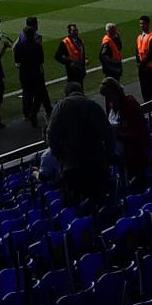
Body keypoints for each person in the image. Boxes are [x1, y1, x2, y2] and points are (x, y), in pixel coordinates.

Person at [46, 81, 113, 209]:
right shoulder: (93, 105)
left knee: (78, 207)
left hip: (73, 167)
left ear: (66, 94)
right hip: (97, 163)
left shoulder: (61, 107)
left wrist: (59, 155)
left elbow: (51, 135)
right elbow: (108, 133)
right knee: (100, 203)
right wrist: (107, 156)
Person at [102, 77, 151, 184]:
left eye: (108, 96)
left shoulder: (129, 104)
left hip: (135, 147)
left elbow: (135, 132)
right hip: (124, 144)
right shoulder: (115, 106)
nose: (108, 99)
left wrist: (117, 134)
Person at [15, 18, 51, 126]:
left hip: (24, 73)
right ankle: (36, 112)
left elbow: (17, 60)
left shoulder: (20, 45)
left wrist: (18, 65)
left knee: (27, 93)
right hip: (35, 73)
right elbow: (41, 60)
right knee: (40, 93)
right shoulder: (36, 44)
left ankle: (27, 113)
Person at [133, 16, 152, 103]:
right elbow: (137, 51)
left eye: (143, 24)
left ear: (148, 24)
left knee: (150, 88)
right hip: (142, 67)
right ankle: (147, 104)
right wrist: (139, 63)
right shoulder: (139, 37)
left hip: (149, 67)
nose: (142, 25)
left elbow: (151, 53)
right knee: (143, 88)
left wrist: (142, 64)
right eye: (140, 24)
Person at [56, 22, 89, 95]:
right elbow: (57, 56)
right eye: (73, 31)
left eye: (76, 30)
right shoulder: (65, 42)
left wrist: (85, 59)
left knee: (80, 89)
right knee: (72, 90)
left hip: (80, 70)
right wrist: (69, 63)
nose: (76, 32)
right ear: (69, 32)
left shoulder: (79, 40)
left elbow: (80, 53)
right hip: (72, 71)